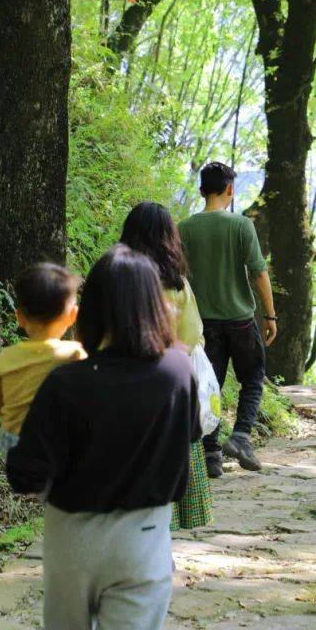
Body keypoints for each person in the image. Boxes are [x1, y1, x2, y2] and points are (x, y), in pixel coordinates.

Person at [6, 246, 199, 630]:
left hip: (71, 539)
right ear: (153, 304)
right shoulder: (178, 372)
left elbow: (25, 475)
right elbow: (187, 455)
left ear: (91, 310)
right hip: (143, 542)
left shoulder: (67, 383)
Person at [178, 161, 277, 478]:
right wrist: (271, 315)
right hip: (240, 320)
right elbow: (259, 272)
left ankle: (210, 455)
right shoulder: (241, 226)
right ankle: (241, 436)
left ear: (201, 190)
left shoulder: (185, 229)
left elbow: (178, 276)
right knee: (252, 377)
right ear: (230, 190)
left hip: (205, 324)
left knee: (211, 385)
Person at [119, 201, 213, 530]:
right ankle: (162, 540)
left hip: (124, 386)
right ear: (168, 238)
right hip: (168, 388)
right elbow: (192, 336)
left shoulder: (117, 279)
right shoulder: (177, 285)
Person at [0, 262, 84, 462]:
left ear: (19, 317)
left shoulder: (5, 358)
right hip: (57, 443)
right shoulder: (76, 354)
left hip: (13, 446)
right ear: (72, 316)